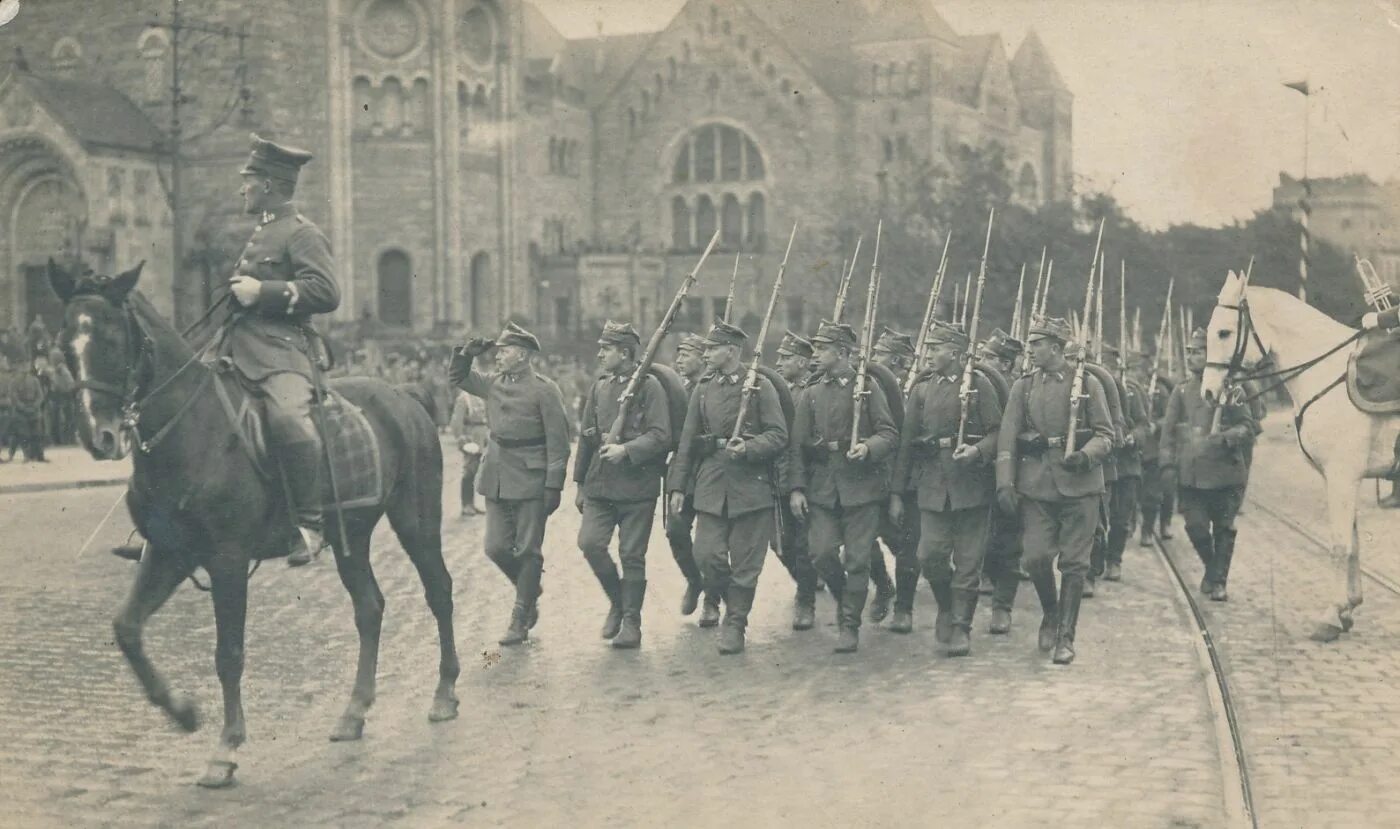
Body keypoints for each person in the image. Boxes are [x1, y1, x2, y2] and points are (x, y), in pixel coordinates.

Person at [218, 133, 341, 566]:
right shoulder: (263, 231)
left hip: (282, 352)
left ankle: (309, 525)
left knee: (289, 419)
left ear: (268, 184)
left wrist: (262, 291)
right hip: (236, 345)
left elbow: (326, 292)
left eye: (247, 180)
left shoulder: (301, 233)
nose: (242, 188)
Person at [996, 316, 1115, 665]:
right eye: (1030, 344)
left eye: (1036, 344)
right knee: (1034, 558)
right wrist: (1005, 481)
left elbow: (1105, 434)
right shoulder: (1024, 386)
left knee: (1075, 565)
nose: (1029, 350)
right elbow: (1007, 435)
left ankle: (1066, 635)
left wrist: (1085, 455)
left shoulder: (1087, 384)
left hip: (1081, 487)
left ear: (1056, 347)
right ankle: (1050, 611)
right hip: (1037, 487)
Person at [667, 320, 788, 655]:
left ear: (732, 352)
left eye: (712, 348)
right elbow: (687, 442)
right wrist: (678, 487)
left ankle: (736, 624)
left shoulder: (760, 386)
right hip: (711, 484)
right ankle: (715, 599)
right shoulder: (704, 389)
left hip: (751, 486)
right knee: (707, 555)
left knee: (746, 563)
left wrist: (749, 447)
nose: (706, 354)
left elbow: (779, 435)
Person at [450, 322, 570, 646]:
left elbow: (559, 442)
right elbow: (458, 378)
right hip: (496, 473)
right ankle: (529, 590)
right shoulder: (493, 384)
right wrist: (465, 355)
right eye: (498, 350)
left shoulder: (545, 390)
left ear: (523, 355)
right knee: (495, 547)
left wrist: (553, 486)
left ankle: (520, 618)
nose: (498, 356)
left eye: (505, 351)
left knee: (528, 549)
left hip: (532, 477)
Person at [890, 322, 1001, 656]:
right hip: (933, 484)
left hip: (972, 485)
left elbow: (998, 433)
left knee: (968, 562)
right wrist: (897, 492)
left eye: (935, 348)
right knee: (929, 556)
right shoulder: (922, 390)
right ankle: (946, 607)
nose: (929, 354)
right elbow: (906, 444)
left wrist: (977, 451)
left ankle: (961, 627)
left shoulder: (979, 387)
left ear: (954, 352)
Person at [787, 320, 898, 653]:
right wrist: (796, 488)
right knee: (820, 553)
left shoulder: (866, 388)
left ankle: (849, 624)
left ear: (843, 353)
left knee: (858, 559)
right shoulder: (811, 392)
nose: (815, 355)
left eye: (823, 349)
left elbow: (888, 432)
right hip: (822, 488)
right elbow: (797, 446)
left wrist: (868, 447)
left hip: (861, 487)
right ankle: (846, 599)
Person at [574, 321, 672, 649]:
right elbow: (587, 437)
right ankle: (618, 602)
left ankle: (632, 621)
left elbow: (661, 435)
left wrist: (627, 450)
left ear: (625, 353)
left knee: (632, 554)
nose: (600, 354)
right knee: (590, 544)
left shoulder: (649, 387)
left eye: (607, 349)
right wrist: (579, 484)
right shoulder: (600, 387)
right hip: (600, 485)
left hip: (637, 487)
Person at [1160, 328, 1258, 602]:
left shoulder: (1232, 390)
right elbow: (1167, 432)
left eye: (1198, 352)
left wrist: (1225, 438)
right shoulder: (1181, 391)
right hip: (1191, 476)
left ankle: (1218, 583)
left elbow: (1247, 427)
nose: (1191, 356)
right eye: (1189, 352)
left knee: (1224, 529)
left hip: (1226, 473)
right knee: (1195, 527)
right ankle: (1213, 569)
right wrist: (1167, 466)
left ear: (1210, 354)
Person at [665, 333, 720, 624]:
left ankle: (712, 601)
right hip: (683, 468)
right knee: (675, 529)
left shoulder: (715, 386)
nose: (679, 360)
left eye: (686, 354)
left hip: (710, 465)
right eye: (679, 354)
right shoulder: (680, 390)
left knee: (710, 541)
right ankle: (694, 580)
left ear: (702, 356)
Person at [770, 329, 822, 630]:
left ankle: (806, 600)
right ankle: (808, 581)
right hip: (777, 476)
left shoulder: (812, 391)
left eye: (786, 357)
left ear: (803, 362)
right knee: (779, 544)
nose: (779, 362)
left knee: (804, 545)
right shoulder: (776, 390)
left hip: (807, 477)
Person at [869, 327, 918, 629]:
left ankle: (905, 605)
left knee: (907, 543)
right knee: (864, 538)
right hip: (875, 475)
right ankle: (883, 585)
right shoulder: (869, 386)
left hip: (908, 477)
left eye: (879, 354)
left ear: (899, 362)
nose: (872, 359)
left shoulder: (917, 389)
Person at [978, 329, 1026, 634]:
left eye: (990, 358)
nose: (982, 362)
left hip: (1013, 473)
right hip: (981, 472)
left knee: (1008, 540)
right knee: (983, 537)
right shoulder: (977, 386)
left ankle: (1002, 606)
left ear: (1007, 364)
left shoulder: (1021, 389)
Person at [448, 386, 488, 517]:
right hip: (470, 436)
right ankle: (466, 505)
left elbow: (485, 417)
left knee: (475, 470)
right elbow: (456, 421)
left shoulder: (480, 396)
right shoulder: (463, 398)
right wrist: (460, 438)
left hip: (480, 436)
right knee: (469, 471)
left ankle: (471, 504)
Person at [45, 347, 74, 446]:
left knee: (62, 419)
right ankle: (60, 440)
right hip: (57, 396)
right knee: (58, 419)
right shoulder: (53, 369)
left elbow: (69, 384)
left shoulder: (62, 370)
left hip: (62, 396)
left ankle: (63, 439)